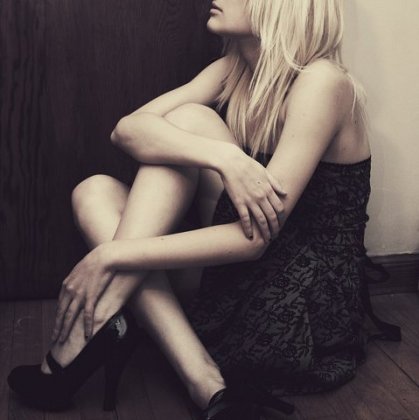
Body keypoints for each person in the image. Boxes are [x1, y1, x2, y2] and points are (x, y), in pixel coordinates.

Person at [7, 0, 380, 418]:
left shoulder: (323, 82)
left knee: (189, 121)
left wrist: (111, 253)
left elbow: (254, 241)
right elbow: (126, 130)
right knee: (94, 192)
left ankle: (83, 341)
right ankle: (207, 384)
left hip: (300, 310)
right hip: (239, 279)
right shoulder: (234, 70)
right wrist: (225, 158)